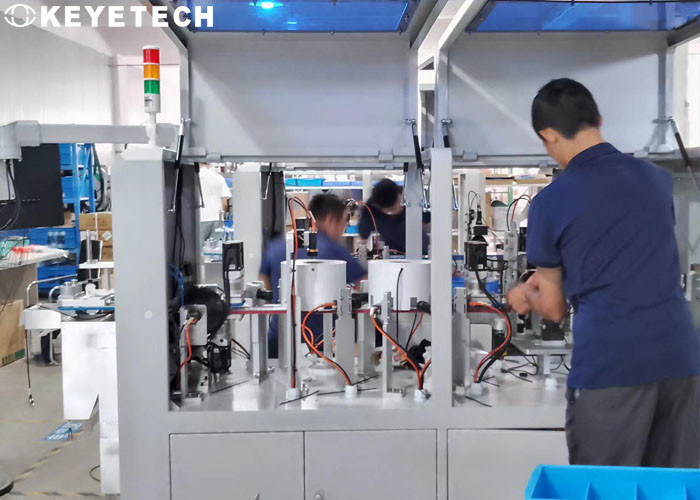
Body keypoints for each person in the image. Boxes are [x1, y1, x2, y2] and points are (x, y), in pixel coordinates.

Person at [506, 78, 700, 467]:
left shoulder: (551, 202)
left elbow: (554, 309)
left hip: (612, 363)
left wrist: (523, 295)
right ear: (598, 120)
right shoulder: (657, 180)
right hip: (681, 359)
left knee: (606, 486)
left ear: (548, 136)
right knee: (672, 487)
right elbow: (626, 254)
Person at [259, 193, 367, 358]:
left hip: (279, 339)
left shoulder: (276, 247)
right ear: (330, 220)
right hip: (321, 343)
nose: (342, 231)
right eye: (343, 224)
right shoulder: (334, 251)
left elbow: (263, 290)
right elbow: (365, 287)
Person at [357, 178, 429, 254]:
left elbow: (429, 221)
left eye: (393, 208)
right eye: (389, 210)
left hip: (421, 250)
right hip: (391, 253)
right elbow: (363, 236)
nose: (391, 212)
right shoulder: (371, 209)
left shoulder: (410, 200)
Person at [198, 163, 231, 248]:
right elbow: (225, 201)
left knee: (198, 250)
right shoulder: (219, 177)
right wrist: (222, 215)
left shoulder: (195, 176)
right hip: (217, 219)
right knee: (214, 250)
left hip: (200, 217)